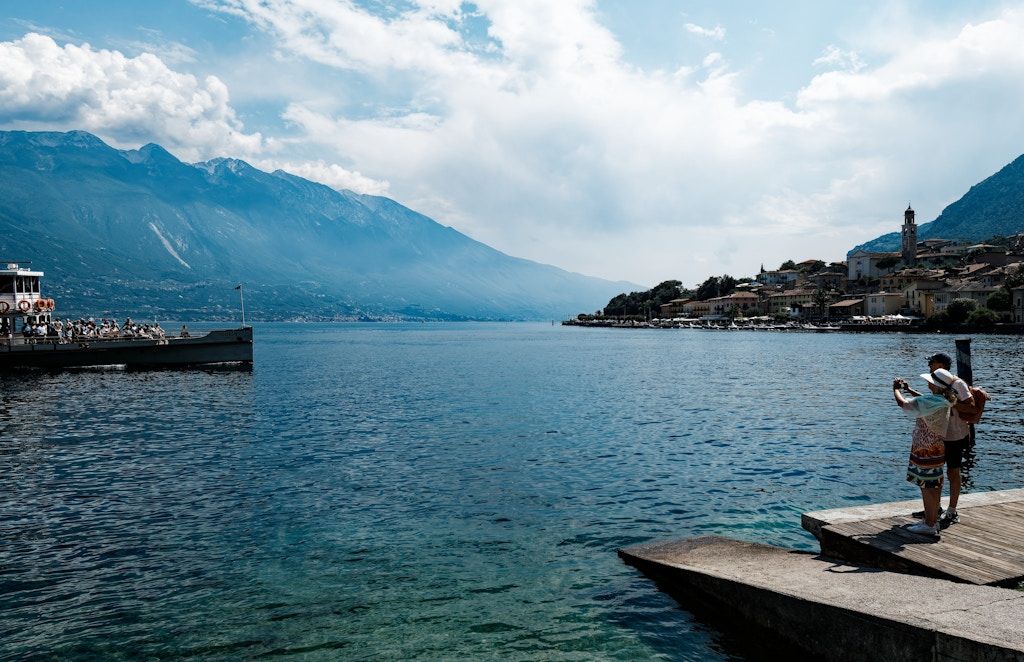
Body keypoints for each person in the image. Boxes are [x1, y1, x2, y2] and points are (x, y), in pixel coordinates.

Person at [903, 353, 974, 528]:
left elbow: (971, 406)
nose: (929, 368)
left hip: (955, 435)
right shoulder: (940, 382)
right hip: (940, 436)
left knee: (953, 472)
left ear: (941, 365)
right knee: (935, 474)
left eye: (932, 364)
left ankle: (952, 510)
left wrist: (950, 402)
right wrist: (911, 391)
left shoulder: (958, 383)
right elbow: (933, 401)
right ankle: (934, 510)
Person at [893, 370, 957, 537]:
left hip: (924, 448)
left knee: (926, 486)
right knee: (934, 485)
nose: (928, 383)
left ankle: (929, 525)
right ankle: (932, 520)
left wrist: (896, 390)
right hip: (937, 448)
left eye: (930, 382)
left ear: (936, 385)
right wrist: (909, 389)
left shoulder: (930, 401)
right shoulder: (945, 400)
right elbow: (924, 400)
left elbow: (905, 405)